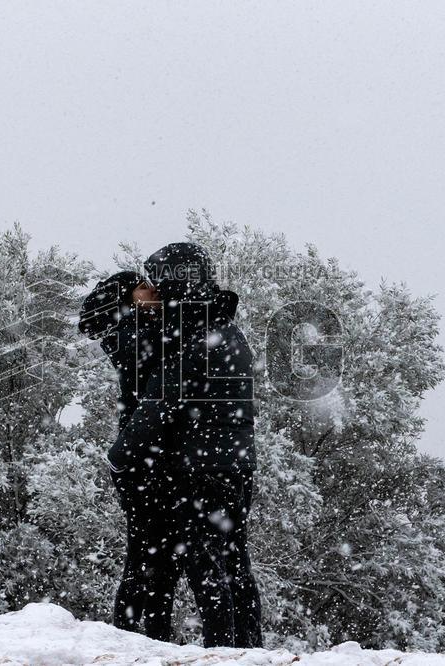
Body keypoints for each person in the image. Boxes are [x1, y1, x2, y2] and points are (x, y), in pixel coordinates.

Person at [109, 242, 263, 648]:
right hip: (234, 465)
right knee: (232, 562)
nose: (155, 291)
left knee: (204, 565)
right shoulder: (227, 330)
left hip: (201, 470)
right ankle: (246, 648)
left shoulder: (198, 340)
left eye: (159, 282)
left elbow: (158, 406)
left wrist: (119, 461)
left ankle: (224, 651)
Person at [78, 270, 182, 642]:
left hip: (148, 454)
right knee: (148, 552)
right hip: (142, 458)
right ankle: (133, 633)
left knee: (157, 552)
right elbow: (164, 353)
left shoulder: (134, 329)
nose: (153, 289)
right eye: (142, 286)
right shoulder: (131, 333)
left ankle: (147, 633)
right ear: (125, 297)